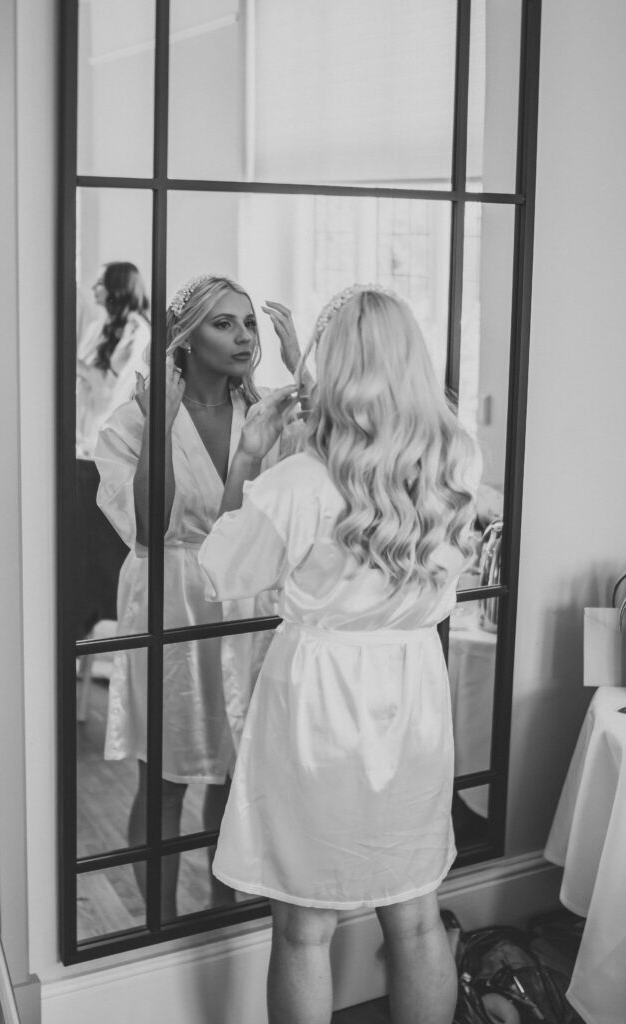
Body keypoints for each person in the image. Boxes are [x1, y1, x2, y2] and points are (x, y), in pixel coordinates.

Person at [198, 285, 481, 1024]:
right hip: (412, 693)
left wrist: (249, 453)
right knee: (417, 915)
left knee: (302, 927)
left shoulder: (298, 484)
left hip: (318, 704)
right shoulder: (456, 463)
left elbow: (222, 572)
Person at [94, 274, 303, 918]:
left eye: (249, 323)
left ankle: (222, 908)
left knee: (241, 771)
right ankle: (157, 919)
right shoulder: (131, 422)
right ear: (185, 340)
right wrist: (160, 426)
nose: (244, 336)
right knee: (165, 773)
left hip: (252, 600)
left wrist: (305, 372)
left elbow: (342, 461)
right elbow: (150, 530)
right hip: (172, 593)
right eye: (224, 324)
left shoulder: (271, 412)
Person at [75, 261, 151, 641]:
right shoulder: (96, 328)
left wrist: (77, 370)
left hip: (110, 447)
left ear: (118, 288)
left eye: (101, 284)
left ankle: (110, 621)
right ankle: (84, 619)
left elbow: (118, 391)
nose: (94, 290)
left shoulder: (139, 332)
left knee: (104, 544)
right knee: (81, 542)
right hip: (82, 444)